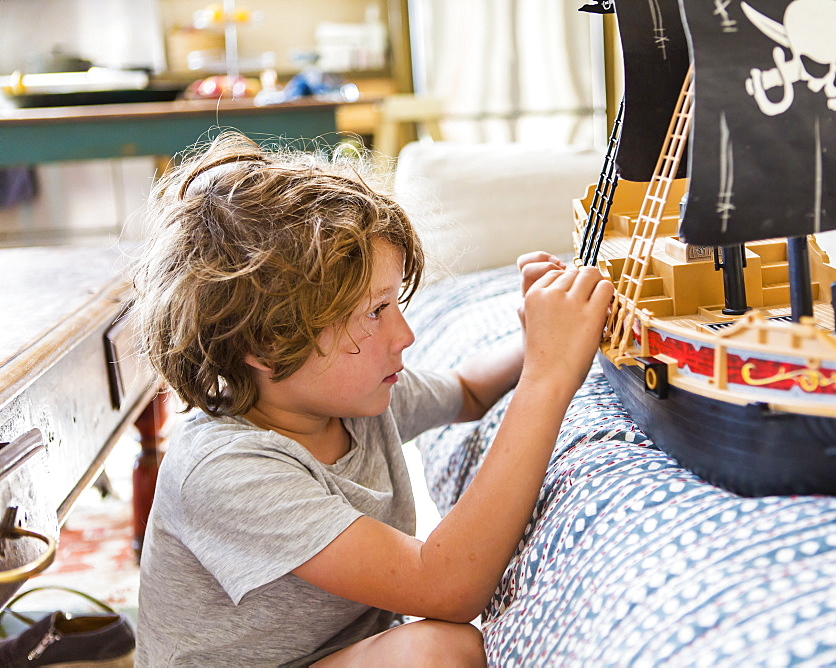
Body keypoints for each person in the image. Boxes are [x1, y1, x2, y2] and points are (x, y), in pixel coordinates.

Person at [130, 131, 613, 667]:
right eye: (376, 311)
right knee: (438, 650)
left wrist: (535, 338)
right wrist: (547, 378)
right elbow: (448, 586)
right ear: (269, 344)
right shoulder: (224, 471)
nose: (405, 334)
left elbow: (470, 391)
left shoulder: (344, 400)